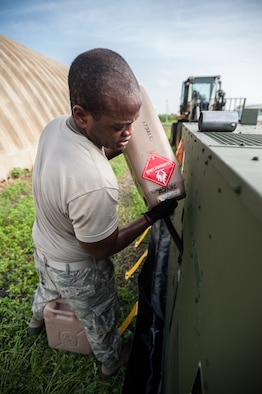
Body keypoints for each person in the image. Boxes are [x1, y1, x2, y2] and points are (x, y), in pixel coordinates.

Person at [28, 48, 176, 379]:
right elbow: (99, 247)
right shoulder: (96, 184)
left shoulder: (55, 127)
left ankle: (36, 323)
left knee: (46, 290)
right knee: (99, 315)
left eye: (133, 123)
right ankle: (110, 362)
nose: (129, 133)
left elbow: (70, 173)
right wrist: (152, 217)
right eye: (119, 126)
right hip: (78, 269)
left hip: (44, 246)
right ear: (83, 115)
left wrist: (108, 148)